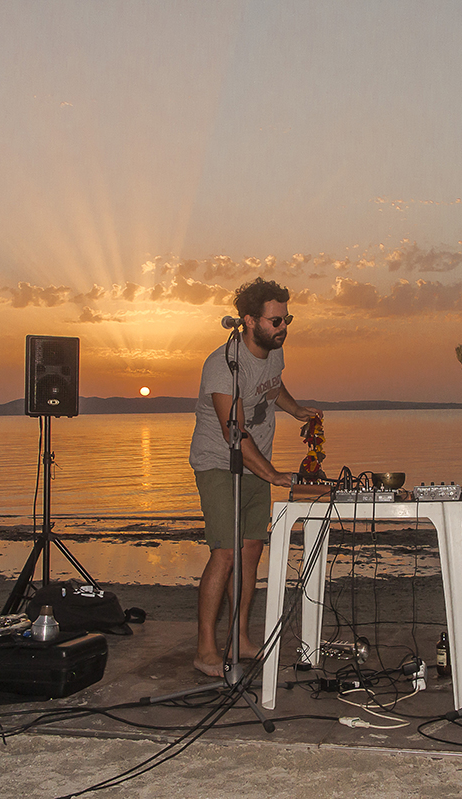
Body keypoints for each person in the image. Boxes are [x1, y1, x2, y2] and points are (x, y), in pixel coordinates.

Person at [189, 277, 321, 678]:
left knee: (250, 553)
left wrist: (298, 411)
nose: (284, 328)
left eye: (287, 319)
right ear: (249, 320)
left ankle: (241, 637)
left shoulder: (274, 353)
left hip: (256, 465)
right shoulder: (222, 367)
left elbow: (273, 386)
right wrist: (275, 475)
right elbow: (236, 434)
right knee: (224, 553)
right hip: (219, 464)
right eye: (276, 320)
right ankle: (205, 648)